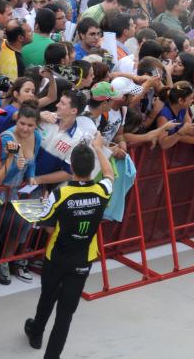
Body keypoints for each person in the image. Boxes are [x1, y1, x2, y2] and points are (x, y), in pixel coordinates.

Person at [24, 136, 114, 357]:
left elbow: (46, 225)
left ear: (71, 166)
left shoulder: (60, 194)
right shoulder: (103, 190)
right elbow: (110, 173)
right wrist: (99, 148)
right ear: (92, 169)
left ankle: (36, 334)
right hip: (83, 259)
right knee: (65, 316)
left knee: (47, 297)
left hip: (57, 258)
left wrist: (43, 205)